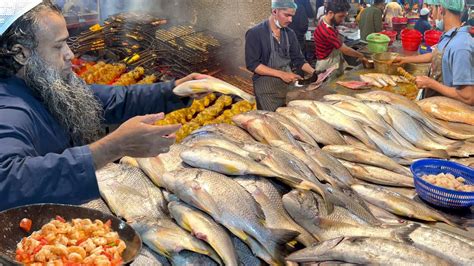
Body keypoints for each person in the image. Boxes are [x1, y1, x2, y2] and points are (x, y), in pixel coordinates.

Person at [0, 0, 207, 211]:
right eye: (58, 46)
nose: (70, 54)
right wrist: (111, 148)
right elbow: (7, 183)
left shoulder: (43, 84)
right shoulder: (10, 111)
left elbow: (109, 99)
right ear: (21, 53)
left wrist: (173, 91)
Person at [394, 0, 473, 105]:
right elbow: (436, 55)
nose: (430, 11)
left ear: (441, 9)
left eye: (432, 7)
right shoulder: (450, 35)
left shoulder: (461, 46)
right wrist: (405, 59)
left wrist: (430, 83)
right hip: (436, 102)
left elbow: (468, 96)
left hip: (448, 109)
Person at [245, 0, 316, 111]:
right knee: (272, 124)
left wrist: (314, 72)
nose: (290, 20)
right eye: (287, 15)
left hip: (287, 89)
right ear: (274, 11)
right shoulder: (255, 33)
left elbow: (299, 60)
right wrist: (282, 74)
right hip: (266, 91)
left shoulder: (289, 33)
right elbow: (252, 64)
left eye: (292, 16)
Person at [314, 0, 368, 76]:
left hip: (333, 59)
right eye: (340, 16)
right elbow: (345, 50)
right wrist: (361, 56)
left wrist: (347, 24)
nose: (342, 19)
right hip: (326, 65)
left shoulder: (325, 19)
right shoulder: (326, 30)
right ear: (330, 13)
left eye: (344, 16)